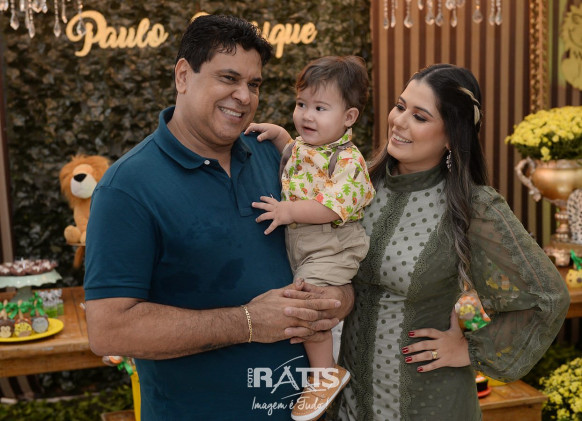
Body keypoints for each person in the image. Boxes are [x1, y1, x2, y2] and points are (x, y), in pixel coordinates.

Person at [83, 15, 355, 421]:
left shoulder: (274, 155)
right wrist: (248, 322)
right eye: (228, 78)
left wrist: (338, 299)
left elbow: (334, 240)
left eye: (254, 84)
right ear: (183, 76)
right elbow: (108, 330)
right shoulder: (127, 187)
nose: (243, 96)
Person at [329, 63, 570, 420]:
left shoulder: (473, 206)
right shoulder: (359, 184)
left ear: (450, 137)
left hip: (429, 403)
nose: (399, 121)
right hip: (351, 401)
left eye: (420, 116)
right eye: (400, 106)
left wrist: (469, 349)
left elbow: (546, 296)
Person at [246, 55, 375, 421]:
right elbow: (298, 159)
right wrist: (279, 136)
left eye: (320, 108)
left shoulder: (349, 161)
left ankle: (323, 375)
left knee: (309, 307)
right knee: (304, 301)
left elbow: (331, 207)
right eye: (301, 104)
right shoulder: (305, 146)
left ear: (349, 117)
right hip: (304, 246)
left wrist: (288, 211)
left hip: (332, 246)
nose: (306, 115)